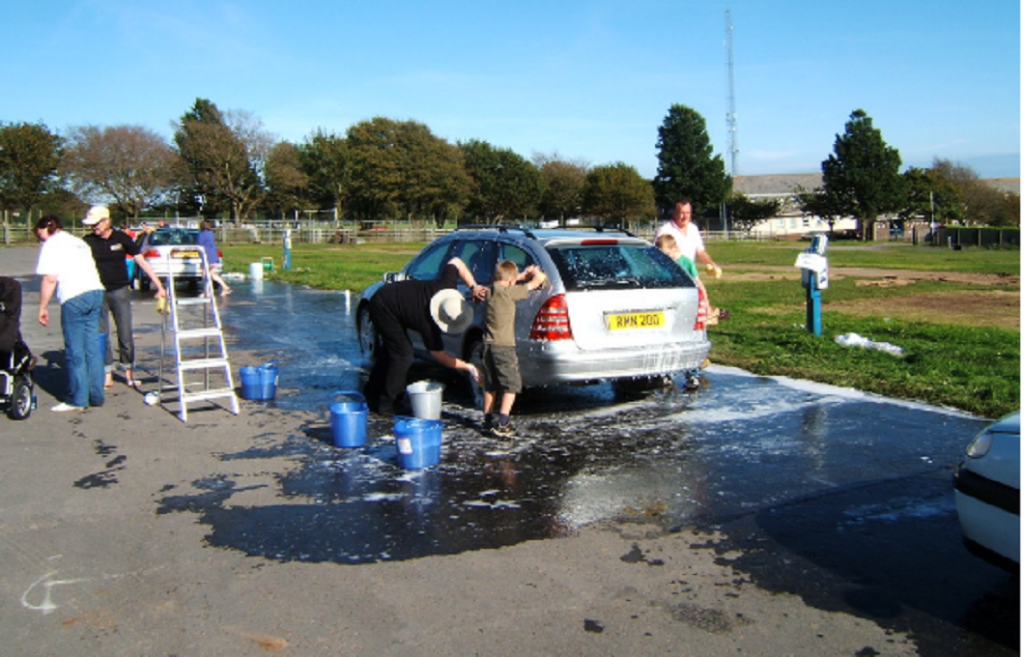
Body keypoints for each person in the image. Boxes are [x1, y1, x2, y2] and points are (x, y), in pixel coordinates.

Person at [363, 256, 484, 416]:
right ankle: (387, 404)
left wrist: (473, 286)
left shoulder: (446, 285)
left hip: (396, 301)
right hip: (382, 306)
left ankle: (371, 392)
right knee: (403, 355)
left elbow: (456, 261)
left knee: (391, 352)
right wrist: (468, 366)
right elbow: (438, 356)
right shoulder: (428, 323)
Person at [82, 205, 167, 389]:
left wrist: (159, 285)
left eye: (96, 223)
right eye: (91, 224)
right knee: (101, 334)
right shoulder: (88, 241)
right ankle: (107, 374)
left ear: (106, 221)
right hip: (98, 292)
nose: (93, 227)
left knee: (125, 332)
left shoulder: (121, 238)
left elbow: (140, 260)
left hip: (120, 291)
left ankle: (129, 373)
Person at [34, 215, 106, 411]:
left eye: (39, 234)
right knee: (91, 346)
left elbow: (50, 279)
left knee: (75, 350)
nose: (39, 238)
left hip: (74, 295)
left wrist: (43, 307)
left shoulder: (51, 245)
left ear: (45, 229)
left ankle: (78, 398)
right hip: (95, 291)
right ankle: (96, 394)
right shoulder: (78, 242)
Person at [480, 260, 546, 438]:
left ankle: (487, 420)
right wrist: (536, 273)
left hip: (488, 345)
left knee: (491, 384)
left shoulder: (490, 291)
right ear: (511, 281)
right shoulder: (509, 293)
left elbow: (508, 281)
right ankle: (503, 423)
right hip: (504, 347)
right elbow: (535, 283)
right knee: (511, 385)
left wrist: (521, 275)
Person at [655, 198, 722, 278]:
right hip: (671, 276)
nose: (685, 216)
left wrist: (711, 264)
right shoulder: (665, 230)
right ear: (675, 213)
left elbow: (700, 252)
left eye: (688, 213)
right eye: (682, 213)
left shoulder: (693, 229)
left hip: (689, 275)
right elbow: (656, 255)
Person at [198, 220, 231, 295]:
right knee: (213, 274)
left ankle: (207, 291)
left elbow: (199, 244)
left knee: (205, 274)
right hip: (213, 256)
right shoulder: (211, 233)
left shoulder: (202, 234)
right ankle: (225, 287)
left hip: (206, 256)